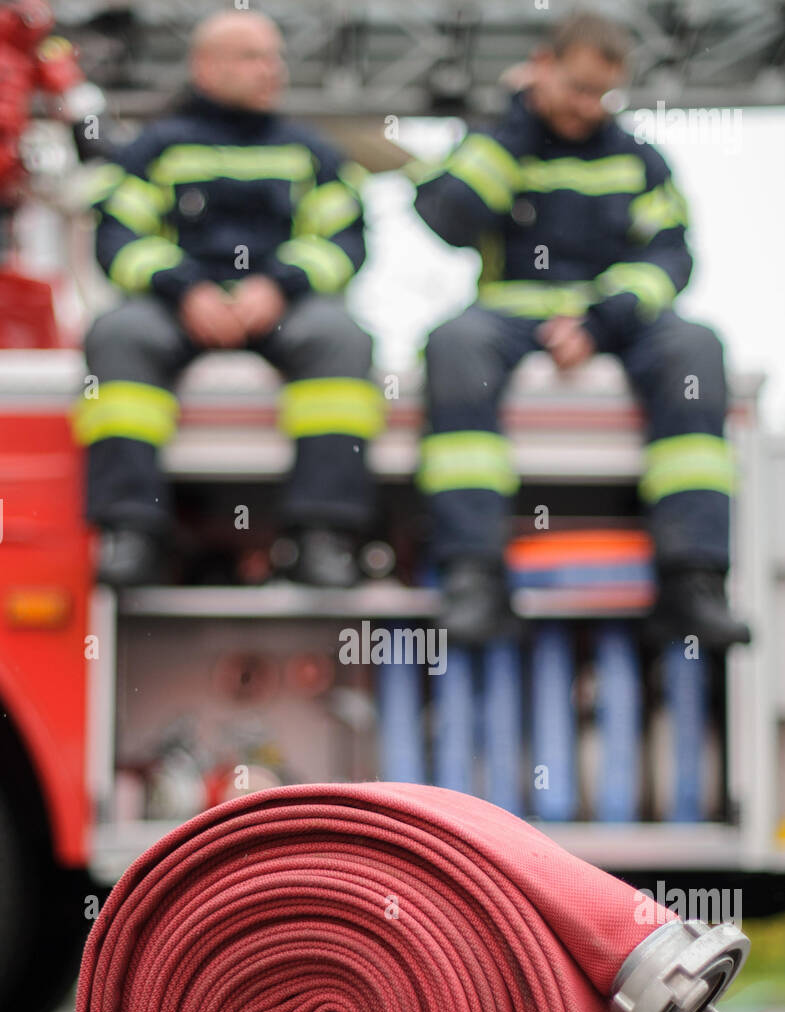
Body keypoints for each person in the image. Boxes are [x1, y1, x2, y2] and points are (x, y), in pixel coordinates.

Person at [412, 8, 751, 648]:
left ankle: (693, 580)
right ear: (541, 66)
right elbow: (449, 217)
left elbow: (671, 257)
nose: (588, 107)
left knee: (696, 346)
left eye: (603, 94)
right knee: (455, 344)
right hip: (511, 313)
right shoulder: (498, 142)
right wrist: (516, 122)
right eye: (575, 88)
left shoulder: (639, 160)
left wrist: (603, 320)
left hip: (613, 317)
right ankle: (472, 573)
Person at [75, 8, 382, 587]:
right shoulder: (157, 147)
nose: (274, 70)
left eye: (276, 57)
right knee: (119, 335)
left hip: (283, 307)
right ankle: (133, 532)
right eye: (253, 57)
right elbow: (117, 237)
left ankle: (322, 535)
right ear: (205, 67)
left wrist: (280, 285)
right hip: (175, 308)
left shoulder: (309, 150)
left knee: (340, 340)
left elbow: (346, 240)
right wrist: (185, 289)